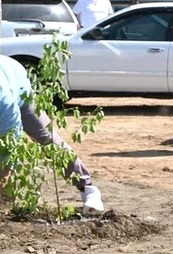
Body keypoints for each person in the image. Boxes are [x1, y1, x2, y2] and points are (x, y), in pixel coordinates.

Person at [0, 55, 104, 213]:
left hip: (17, 85)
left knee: (46, 138)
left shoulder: (4, 102)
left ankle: (88, 188)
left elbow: (8, 151)